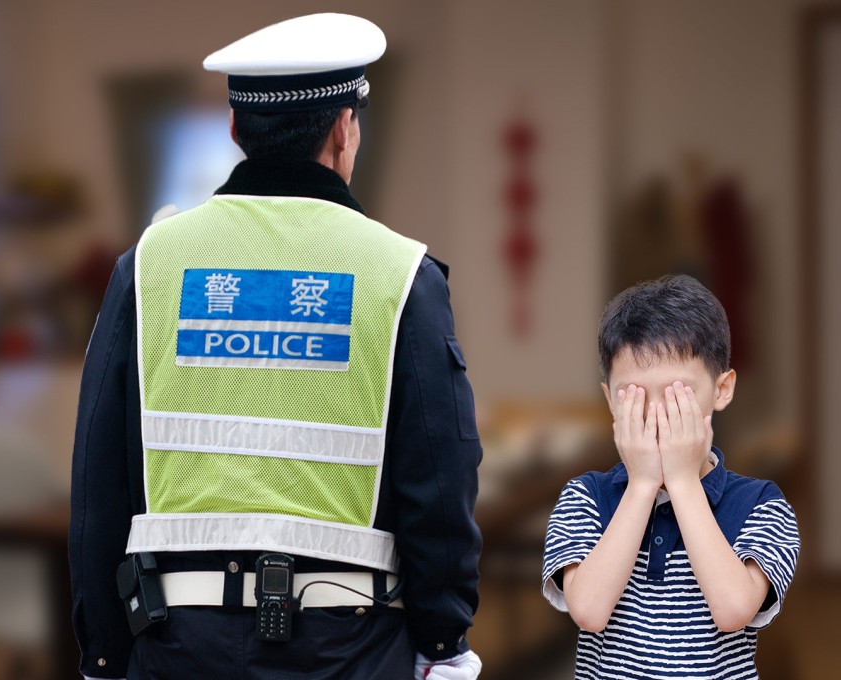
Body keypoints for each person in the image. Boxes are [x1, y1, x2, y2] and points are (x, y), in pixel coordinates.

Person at [69, 13, 483, 680]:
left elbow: (99, 476)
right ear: (346, 129)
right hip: (349, 648)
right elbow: (439, 475)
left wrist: (103, 651)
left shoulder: (149, 266)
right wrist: (443, 640)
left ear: (237, 131)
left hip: (175, 644)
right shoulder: (400, 274)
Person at [541, 275, 799, 679]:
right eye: (635, 397)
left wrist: (681, 481)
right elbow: (588, 611)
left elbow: (734, 610)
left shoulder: (761, 505)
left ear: (722, 389)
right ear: (610, 399)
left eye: (678, 394)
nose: (657, 417)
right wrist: (642, 485)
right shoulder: (584, 497)